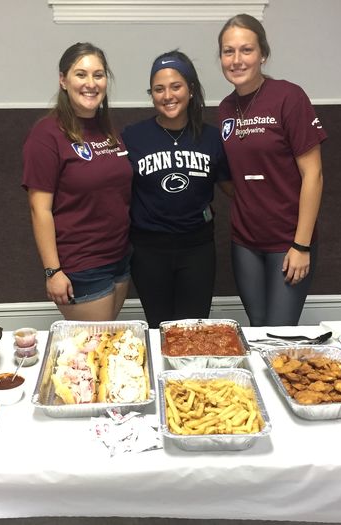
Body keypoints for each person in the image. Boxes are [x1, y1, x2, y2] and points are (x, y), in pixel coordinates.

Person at [217, 14, 327, 327]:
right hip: (245, 242)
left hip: (288, 241)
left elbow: (314, 175)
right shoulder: (225, 108)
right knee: (257, 328)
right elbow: (232, 175)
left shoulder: (289, 97)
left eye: (246, 50)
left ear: (263, 54)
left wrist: (301, 245)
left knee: (279, 334)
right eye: (228, 51)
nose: (237, 60)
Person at [121, 50, 232, 328]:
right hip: (148, 251)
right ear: (152, 94)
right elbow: (112, 190)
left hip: (197, 249)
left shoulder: (211, 138)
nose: (167, 95)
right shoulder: (132, 137)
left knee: (193, 330)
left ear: (191, 89)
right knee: (159, 329)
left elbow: (234, 188)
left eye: (176, 86)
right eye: (159, 89)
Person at [22, 42, 132, 321]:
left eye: (98, 74)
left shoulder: (107, 128)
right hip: (81, 265)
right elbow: (39, 209)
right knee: (92, 354)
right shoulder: (47, 134)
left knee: (106, 346)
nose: (91, 83)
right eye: (81, 74)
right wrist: (53, 271)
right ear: (63, 80)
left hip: (119, 258)